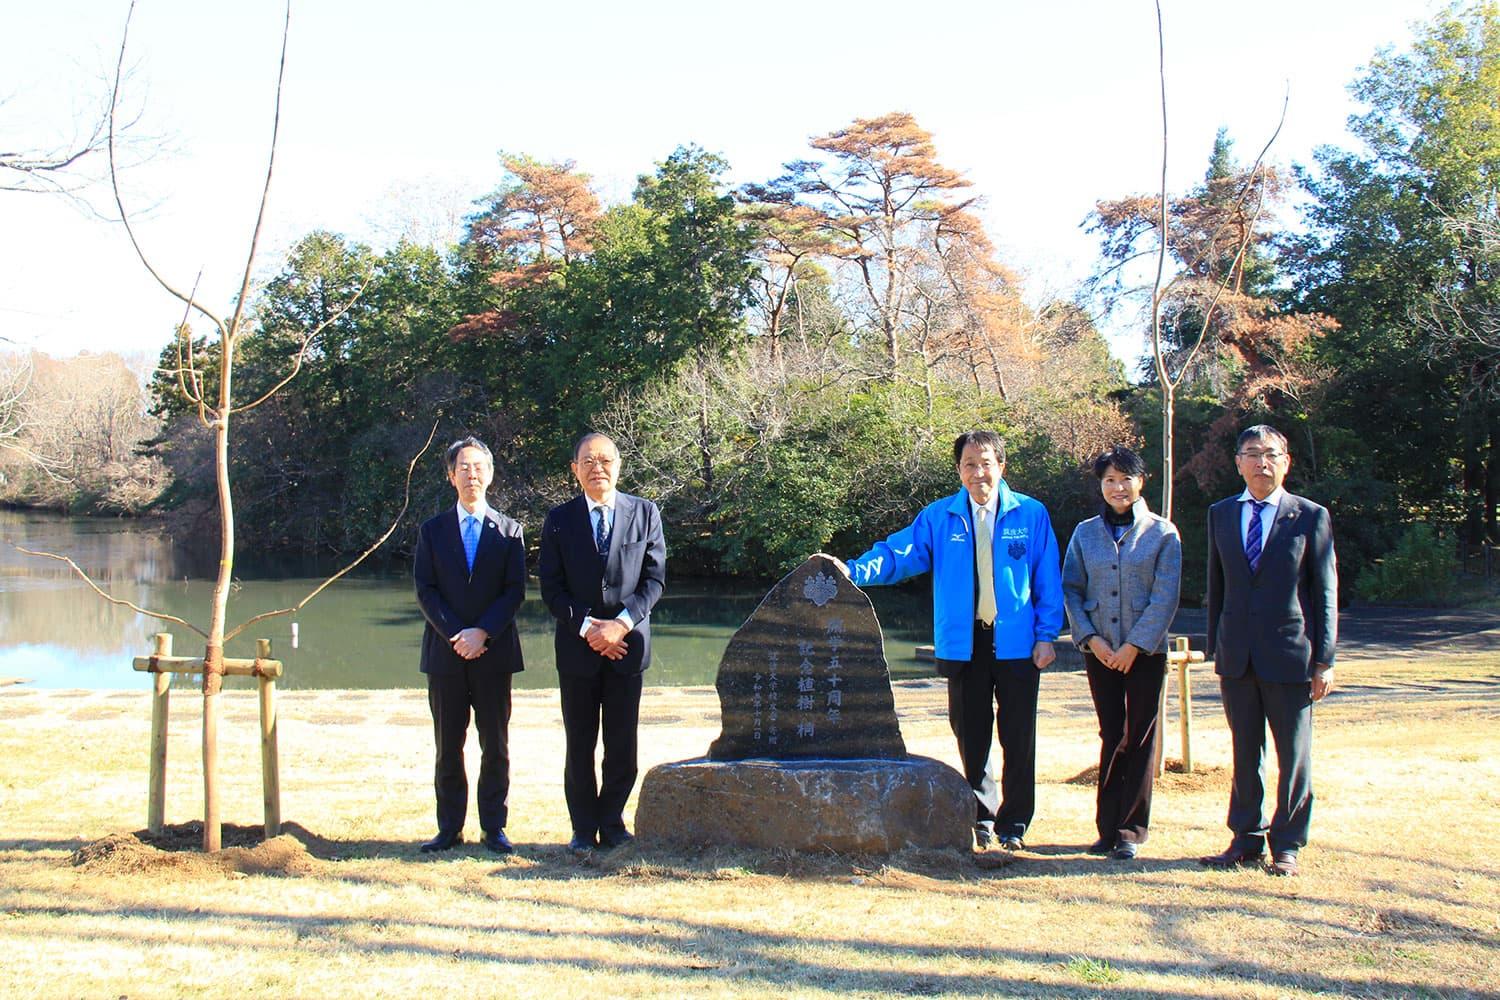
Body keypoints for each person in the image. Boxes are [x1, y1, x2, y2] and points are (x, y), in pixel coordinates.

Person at [846, 430, 1063, 851]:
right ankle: (982, 816)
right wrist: (853, 571)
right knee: (971, 733)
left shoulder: (1031, 514)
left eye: (986, 464)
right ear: (959, 470)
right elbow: (898, 554)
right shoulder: (940, 517)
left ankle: (1015, 823)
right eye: (969, 465)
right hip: (965, 643)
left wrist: (1046, 635)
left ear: (1001, 466)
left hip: (1017, 642)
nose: (978, 473)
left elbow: (1047, 578)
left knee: (1019, 735)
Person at [1201, 424, 1337, 877]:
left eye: (1272, 454)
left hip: (1291, 655)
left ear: (1286, 461)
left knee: (1293, 757)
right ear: (1238, 463)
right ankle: (1245, 838)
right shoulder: (1221, 514)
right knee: (1245, 752)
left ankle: (1288, 844)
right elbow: (1217, 585)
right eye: (1253, 454)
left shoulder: (1309, 516)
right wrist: (1216, 646)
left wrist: (1325, 660)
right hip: (1237, 655)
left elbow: (1325, 592)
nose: (1263, 463)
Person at [537, 432, 666, 853]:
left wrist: (620, 625)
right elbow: (551, 587)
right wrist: (590, 629)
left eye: (606, 460)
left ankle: (612, 823)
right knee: (579, 743)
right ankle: (582, 828)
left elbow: (654, 581)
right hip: (578, 650)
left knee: (621, 744)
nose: (598, 468)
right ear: (574, 469)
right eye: (588, 461)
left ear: (619, 465)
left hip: (628, 647)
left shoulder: (645, 513)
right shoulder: (559, 519)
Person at [1061, 445, 1181, 861]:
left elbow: (1165, 597)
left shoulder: (1163, 533)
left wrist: (1135, 645)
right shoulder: (1085, 533)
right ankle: (1106, 828)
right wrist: (1090, 639)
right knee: (1111, 734)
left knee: (1140, 736)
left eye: (1125, 479)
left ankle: (1131, 830)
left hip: (1145, 651)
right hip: (1099, 651)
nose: (1118, 487)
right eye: (1109, 480)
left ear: (1141, 481)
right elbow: (1071, 589)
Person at [413, 436, 527, 855]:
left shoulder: (510, 531)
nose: (471, 475)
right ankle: (449, 828)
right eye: (463, 467)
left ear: (491, 475)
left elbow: (514, 591)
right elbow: (425, 590)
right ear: (451, 476)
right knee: (448, 746)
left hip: (494, 654)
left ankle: (494, 827)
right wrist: (457, 634)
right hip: (446, 655)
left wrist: (484, 633)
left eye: (479, 467)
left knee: (495, 745)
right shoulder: (432, 531)